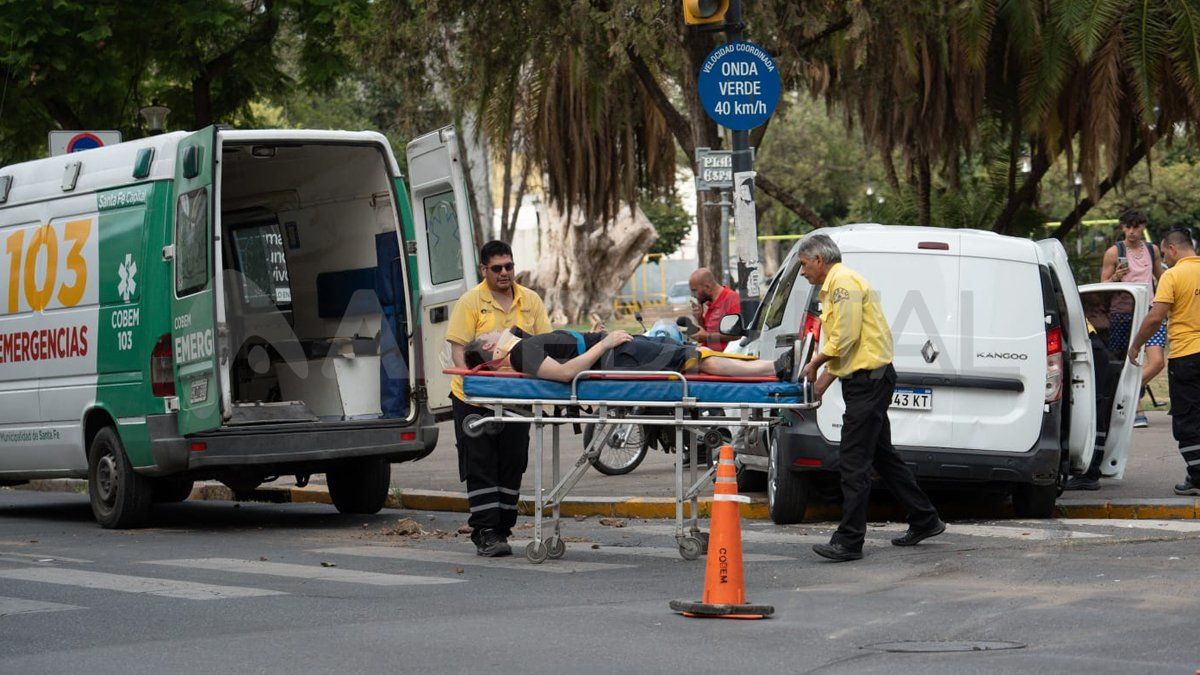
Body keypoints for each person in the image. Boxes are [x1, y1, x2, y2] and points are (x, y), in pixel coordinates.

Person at [796, 233, 944, 562]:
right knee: (881, 456)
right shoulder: (839, 282)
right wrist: (823, 382)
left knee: (853, 461)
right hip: (866, 380)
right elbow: (850, 344)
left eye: (804, 265)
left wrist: (817, 365)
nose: (803, 272)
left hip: (869, 382)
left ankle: (849, 540)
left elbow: (844, 337)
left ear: (819, 260)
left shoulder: (842, 283)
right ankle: (925, 518)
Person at [446, 240, 551, 557]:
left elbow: (544, 344)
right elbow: (458, 351)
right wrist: (473, 389)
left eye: (509, 266)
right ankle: (485, 531)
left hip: (516, 398)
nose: (505, 273)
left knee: (512, 462)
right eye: (497, 268)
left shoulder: (530, 301)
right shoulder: (470, 303)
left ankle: (503, 528)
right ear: (484, 270)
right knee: (481, 464)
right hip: (474, 400)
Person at [1127, 227, 1200, 496]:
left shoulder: (1173, 275)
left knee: (1188, 420)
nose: (1164, 261)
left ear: (1171, 248)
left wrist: (1136, 345)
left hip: (1186, 355)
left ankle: (1198, 476)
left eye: (1164, 254)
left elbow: (1156, 317)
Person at [463, 326, 798, 383]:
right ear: (491, 348)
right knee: (695, 360)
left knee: (693, 355)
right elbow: (566, 375)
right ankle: (774, 368)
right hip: (617, 357)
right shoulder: (521, 353)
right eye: (485, 336)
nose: (491, 331)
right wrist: (604, 342)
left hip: (618, 351)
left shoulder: (522, 346)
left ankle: (773, 366)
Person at [1101, 209, 1165, 428]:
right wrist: (1116, 277)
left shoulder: (1152, 249)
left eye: (1136, 227)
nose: (1132, 231)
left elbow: (1161, 278)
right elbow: (1102, 286)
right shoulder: (1114, 252)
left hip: (1150, 311)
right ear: (1122, 228)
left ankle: (1130, 392)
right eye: (1128, 227)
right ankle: (1136, 411)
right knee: (1127, 362)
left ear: (1143, 227)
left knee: (1157, 362)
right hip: (1123, 312)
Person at [688, 268, 741, 351]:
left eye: (694, 290)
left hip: (724, 359)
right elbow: (704, 336)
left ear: (707, 287)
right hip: (708, 354)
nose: (693, 295)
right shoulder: (709, 303)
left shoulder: (731, 299)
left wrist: (707, 336)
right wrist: (699, 318)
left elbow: (737, 335)